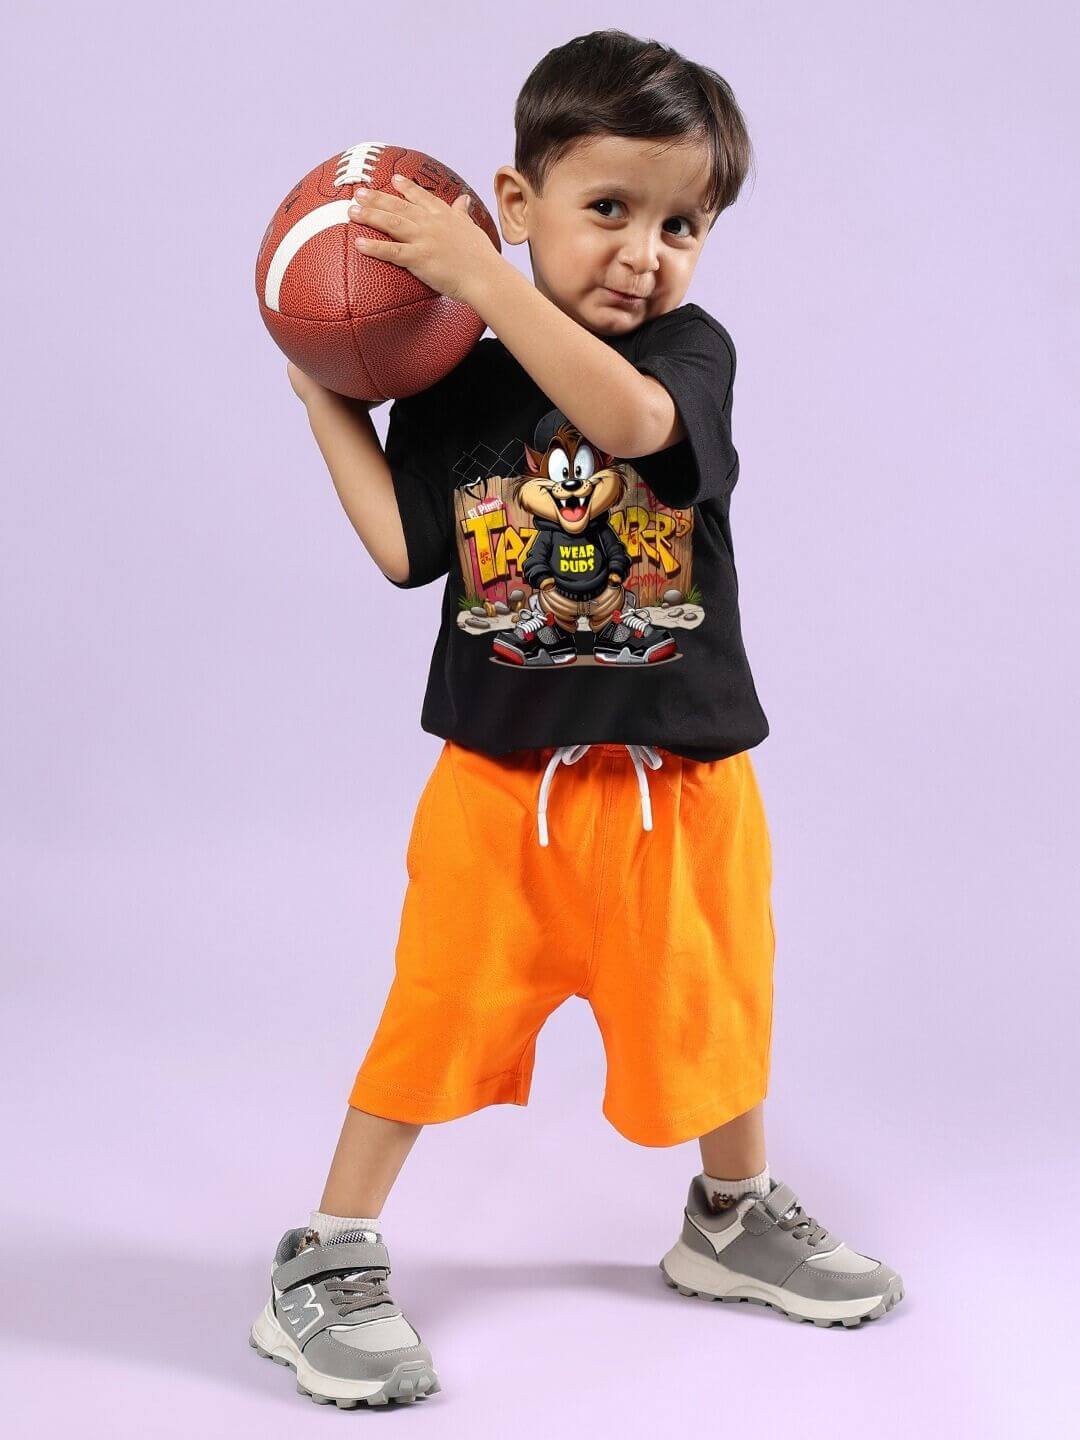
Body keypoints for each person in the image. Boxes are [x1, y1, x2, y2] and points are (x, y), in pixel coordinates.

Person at [248, 29, 903, 1411]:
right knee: (433, 1018)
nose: (644, 252)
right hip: (501, 786)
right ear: (519, 194)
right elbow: (403, 551)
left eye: (683, 222)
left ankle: (731, 1217)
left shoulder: (688, 356)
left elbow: (630, 424)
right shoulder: (451, 379)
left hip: (682, 784)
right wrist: (326, 397)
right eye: (609, 209)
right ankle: (328, 1254)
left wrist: (483, 276)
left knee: (710, 1009)